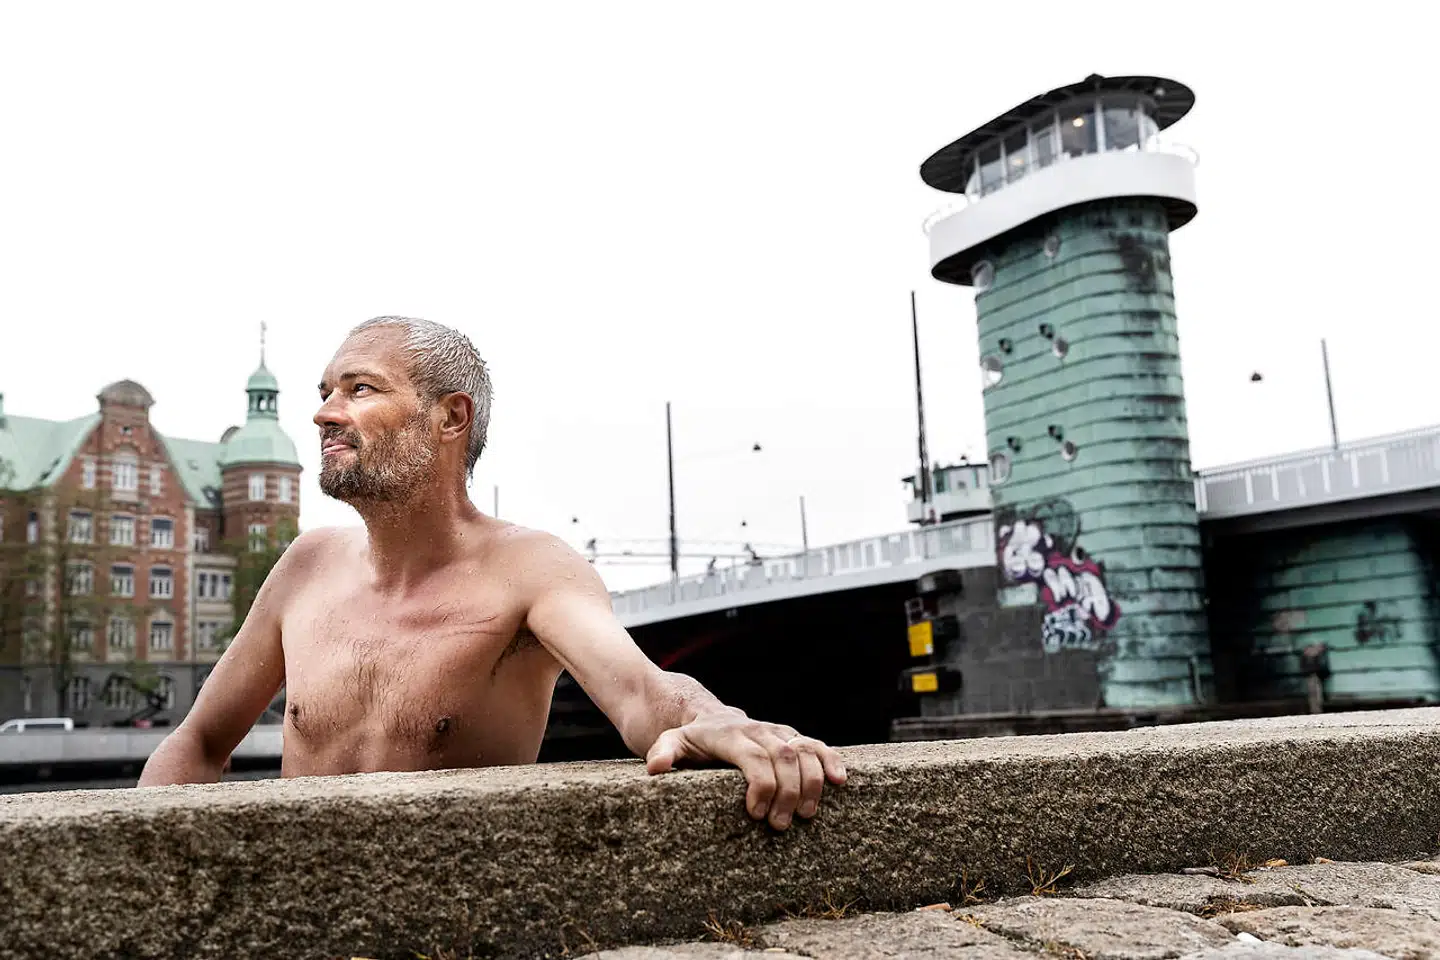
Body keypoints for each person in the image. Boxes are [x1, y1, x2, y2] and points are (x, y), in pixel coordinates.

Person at [139, 316, 846, 830]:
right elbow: (198, 742)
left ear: (451, 418)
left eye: (360, 389)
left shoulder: (529, 569)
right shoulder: (306, 566)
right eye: (325, 391)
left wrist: (716, 721)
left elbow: (641, 690)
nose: (325, 414)